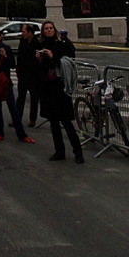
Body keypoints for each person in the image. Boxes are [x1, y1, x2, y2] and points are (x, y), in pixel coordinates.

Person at [37, 20, 84, 164]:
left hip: (60, 86)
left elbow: (67, 62)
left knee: (66, 121)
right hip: (47, 87)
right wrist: (39, 58)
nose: (49, 30)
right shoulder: (41, 45)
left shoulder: (62, 44)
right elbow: (41, 67)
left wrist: (53, 56)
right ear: (43, 32)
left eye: (51, 28)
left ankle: (78, 152)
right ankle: (59, 151)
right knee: (53, 122)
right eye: (46, 28)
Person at [0, 27, 35, 144]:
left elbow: (12, 64)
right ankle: (0, 132)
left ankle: (21, 134)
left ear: (1, 37)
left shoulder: (6, 48)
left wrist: (6, 56)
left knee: (13, 108)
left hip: (5, 82)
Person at [14, 23, 41, 127]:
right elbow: (20, 57)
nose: (22, 33)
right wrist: (18, 69)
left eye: (24, 31)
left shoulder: (37, 43)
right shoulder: (22, 42)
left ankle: (32, 119)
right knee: (21, 97)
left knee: (34, 98)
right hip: (23, 74)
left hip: (34, 75)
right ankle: (17, 118)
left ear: (30, 33)